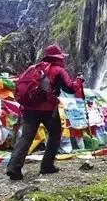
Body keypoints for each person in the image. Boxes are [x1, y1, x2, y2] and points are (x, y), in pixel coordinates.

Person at [6, 44, 83, 181]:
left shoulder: (33, 68)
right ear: (58, 57)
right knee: (55, 134)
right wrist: (79, 80)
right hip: (48, 109)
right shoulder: (58, 70)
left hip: (28, 108)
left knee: (26, 137)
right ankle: (47, 165)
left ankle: (13, 168)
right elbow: (70, 88)